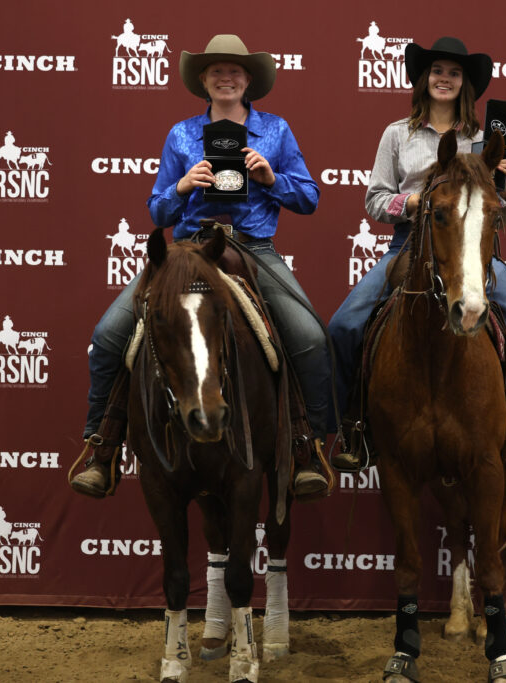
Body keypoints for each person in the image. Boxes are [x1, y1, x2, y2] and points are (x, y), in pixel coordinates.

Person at [69, 34, 331, 500]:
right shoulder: (181, 134)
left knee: (310, 337)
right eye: (216, 72)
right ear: (204, 83)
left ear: (248, 80)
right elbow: (157, 211)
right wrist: (184, 186)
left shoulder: (276, 130)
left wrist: (272, 178)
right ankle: (101, 446)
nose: (225, 78)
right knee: (110, 334)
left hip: (253, 247)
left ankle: (306, 448)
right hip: (187, 249)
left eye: (234, 71)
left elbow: (309, 198)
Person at [328, 36, 506, 469]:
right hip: (409, 247)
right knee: (344, 326)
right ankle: (350, 428)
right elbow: (375, 200)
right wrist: (415, 203)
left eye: (454, 73)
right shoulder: (397, 134)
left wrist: (504, 185)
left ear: (465, 84)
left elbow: (498, 218)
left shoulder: (481, 139)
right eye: (437, 71)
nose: (444, 79)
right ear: (424, 78)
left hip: (470, 252)